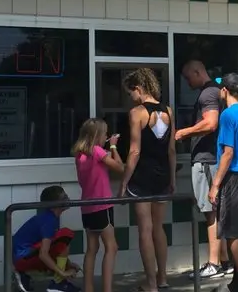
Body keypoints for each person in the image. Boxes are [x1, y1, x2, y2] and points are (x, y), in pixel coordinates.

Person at [118, 68, 176, 292]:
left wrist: (124, 182)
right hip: (162, 177)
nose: (130, 97)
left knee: (145, 229)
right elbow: (171, 150)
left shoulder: (137, 112)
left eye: (130, 92)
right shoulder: (169, 111)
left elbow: (134, 151)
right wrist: (172, 178)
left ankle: (150, 284)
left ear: (138, 89)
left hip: (142, 178)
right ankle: (162, 278)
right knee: (158, 228)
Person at [175, 60, 232, 279]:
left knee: (210, 212)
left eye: (188, 77)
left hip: (207, 160)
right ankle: (224, 261)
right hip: (211, 158)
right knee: (216, 211)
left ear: (198, 72)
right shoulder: (215, 92)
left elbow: (210, 123)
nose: (187, 82)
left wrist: (183, 133)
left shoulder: (208, 93)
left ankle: (213, 263)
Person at [209, 73, 238, 292]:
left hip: (232, 177)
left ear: (225, 90)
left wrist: (215, 184)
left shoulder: (228, 115)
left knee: (234, 232)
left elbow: (228, 153)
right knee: (232, 229)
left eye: (220, 88)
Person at [72, 118, 124, 292]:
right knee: (112, 247)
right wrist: (114, 146)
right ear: (97, 135)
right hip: (102, 204)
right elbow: (119, 168)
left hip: (87, 206)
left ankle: (88, 288)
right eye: (105, 134)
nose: (107, 136)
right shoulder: (98, 151)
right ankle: (107, 289)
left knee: (92, 248)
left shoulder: (80, 154)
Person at [12, 186, 81, 292]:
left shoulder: (48, 217)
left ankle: (24, 276)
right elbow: (43, 254)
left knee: (61, 240)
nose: (68, 199)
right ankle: (58, 283)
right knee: (65, 234)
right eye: (64, 197)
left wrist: (68, 264)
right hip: (22, 259)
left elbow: (51, 249)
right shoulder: (48, 221)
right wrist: (63, 273)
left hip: (21, 258)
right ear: (53, 205)